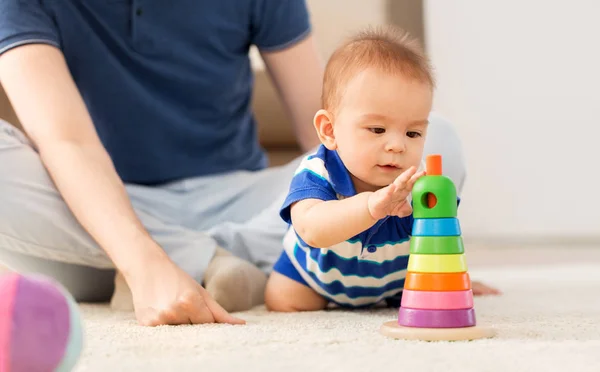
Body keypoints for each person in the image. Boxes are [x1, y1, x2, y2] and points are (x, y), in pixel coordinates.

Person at [0, 0, 496, 326]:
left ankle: (209, 264)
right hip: (94, 216)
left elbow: (323, 127)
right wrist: (144, 262)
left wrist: (411, 247)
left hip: (245, 202)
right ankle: (191, 266)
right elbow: (67, 142)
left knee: (438, 142)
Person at [264, 27, 500, 312]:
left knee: (422, 293)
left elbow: (441, 236)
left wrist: (448, 278)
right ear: (329, 130)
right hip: (314, 277)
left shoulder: (420, 183)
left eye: (413, 134)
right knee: (282, 298)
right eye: (377, 129)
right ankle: (249, 276)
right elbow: (312, 229)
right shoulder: (318, 171)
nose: (397, 145)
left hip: (395, 282)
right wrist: (371, 206)